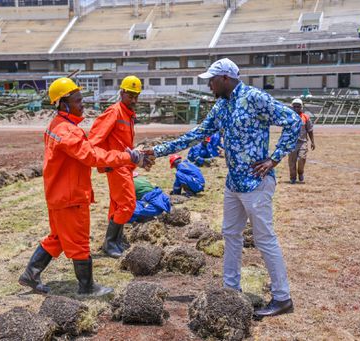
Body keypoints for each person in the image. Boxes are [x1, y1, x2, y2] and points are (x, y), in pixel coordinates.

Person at [144, 58, 301, 319]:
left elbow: (293, 121)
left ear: (226, 78)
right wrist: (157, 151)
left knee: (264, 238)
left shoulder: (253, 98)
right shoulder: (222, 106)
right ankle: (230, 290)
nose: (209, 85)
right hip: (233, 183)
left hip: (256, 183)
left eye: (212, 80)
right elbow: (195, 135)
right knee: (230, 234)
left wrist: (274, 158)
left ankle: (283, 298)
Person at [18, 77, 150, 297]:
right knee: (79, 241)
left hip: (58, 193)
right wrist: (127, 156)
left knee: (59, 237)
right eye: (78, 100)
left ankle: (31, 274)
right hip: (70, 196)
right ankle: (87, 288)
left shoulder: (59, 126)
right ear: (63, 104)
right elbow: (90, 155)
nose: (83, 105)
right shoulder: (67, 132)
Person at [88, 75, 142, 258]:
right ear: (122, 93)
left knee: (117, 204)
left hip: (125, 165)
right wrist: (103, 163)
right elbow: (94, 140)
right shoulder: (114, 112)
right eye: (130, 95)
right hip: (116, 165)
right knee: (127, 204)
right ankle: (110, 243)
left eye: (136, 96)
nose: (134, 100)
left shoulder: (128, 114)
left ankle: (115, 241)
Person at [287, 98, 315, 183]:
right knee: (292, 161)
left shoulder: (305, 117)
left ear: (301, 107)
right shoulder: (289, 117)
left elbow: (310, 130)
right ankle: (293, 178)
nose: (296, 108)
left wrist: (312, 142)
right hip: (292, 142)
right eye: (294, 107)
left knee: (302, 158)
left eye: (298, 107)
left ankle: (301, 172)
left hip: (302, 142)